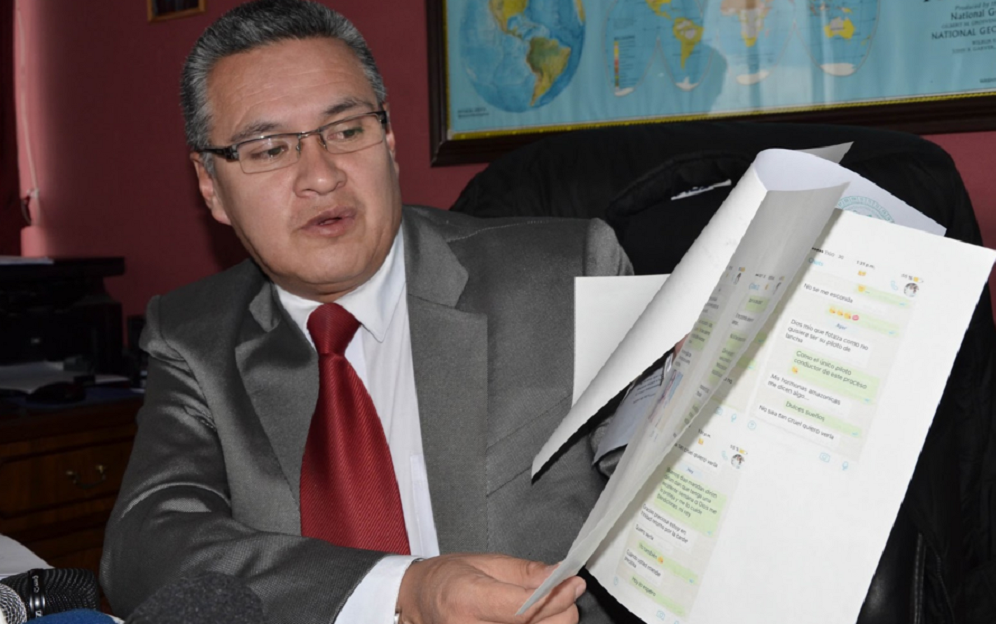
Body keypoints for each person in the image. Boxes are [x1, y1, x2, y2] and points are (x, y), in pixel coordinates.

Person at [100, 1, 631, 623]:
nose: (321, 176)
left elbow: (682, 518)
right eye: (268, 149)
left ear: (390, 142)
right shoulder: (193, 337)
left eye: (347, 131)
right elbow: (143, 547)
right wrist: (403, 590)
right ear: (211, 186)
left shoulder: (568, 275)